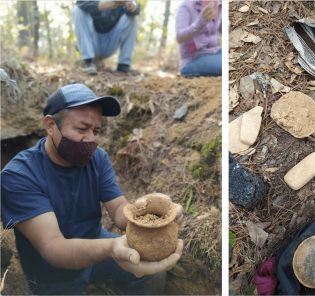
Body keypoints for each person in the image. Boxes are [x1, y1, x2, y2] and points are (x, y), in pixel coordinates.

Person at [1, 84, 184, 295]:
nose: (91, 139)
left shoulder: (98, 158)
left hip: (94, 241)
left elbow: (118, 211)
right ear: (51, 125)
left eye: (96, 131)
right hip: (52, 274)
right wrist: (111, 249)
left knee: (153, 271)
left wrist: (146, 212)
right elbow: (53, 247)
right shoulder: (19, 176)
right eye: (81, 129)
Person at [73, 1, 140, 75]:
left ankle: (124, 64)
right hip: (92, 41)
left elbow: (136, 7)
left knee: (132, 16)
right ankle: (88, 61)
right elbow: (80, 2)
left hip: (111, 42)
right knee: (78, 10)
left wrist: (133, 6)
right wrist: (101, 5)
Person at [176, 1, 222, 78]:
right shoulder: (186, 6)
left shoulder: (217, 5)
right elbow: (180, 37)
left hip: (215, 52)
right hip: (192, 60)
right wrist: (199, 23)